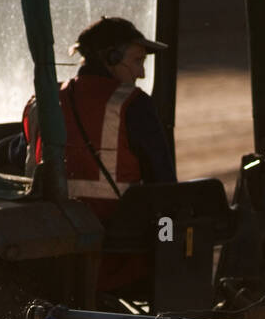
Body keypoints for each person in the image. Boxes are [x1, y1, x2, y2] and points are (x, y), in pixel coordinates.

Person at [22, 16, 177, 293]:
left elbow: (21, 152)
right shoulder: (133, 105)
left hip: (48, 251)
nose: (141, 74)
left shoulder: (42, 102)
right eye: (138, 61)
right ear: (111, 57)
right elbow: (164, 184)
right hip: (116, 255)